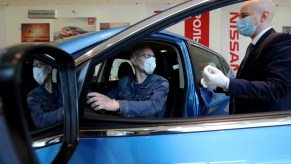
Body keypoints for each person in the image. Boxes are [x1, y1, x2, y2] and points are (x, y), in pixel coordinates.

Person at [201, 0, 291, 114]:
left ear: (263, 16)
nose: (239, 21)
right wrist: (216, 85)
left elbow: (276, 89)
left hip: (263, 124)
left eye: (244, 16)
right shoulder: (256, 45)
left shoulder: (280, 41)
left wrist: (227, 82)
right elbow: (252, 81)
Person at [87, 45, 169, 117]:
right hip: (124, 127)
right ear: (134, 61)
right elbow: (108, 98)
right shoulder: (124, 81)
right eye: (147, 56)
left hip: (148, 130)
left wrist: (116, 104)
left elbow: (153, 106)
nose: (151, 60)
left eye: (153, 57)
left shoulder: (160, 82)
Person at [27, 59, 64, 129]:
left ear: (49, 68)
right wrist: (64, 112)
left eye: (38, 65)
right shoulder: (33, 95)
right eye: (34, 67)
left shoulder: (62, 88)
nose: (35, 70)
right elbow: (40, 121)